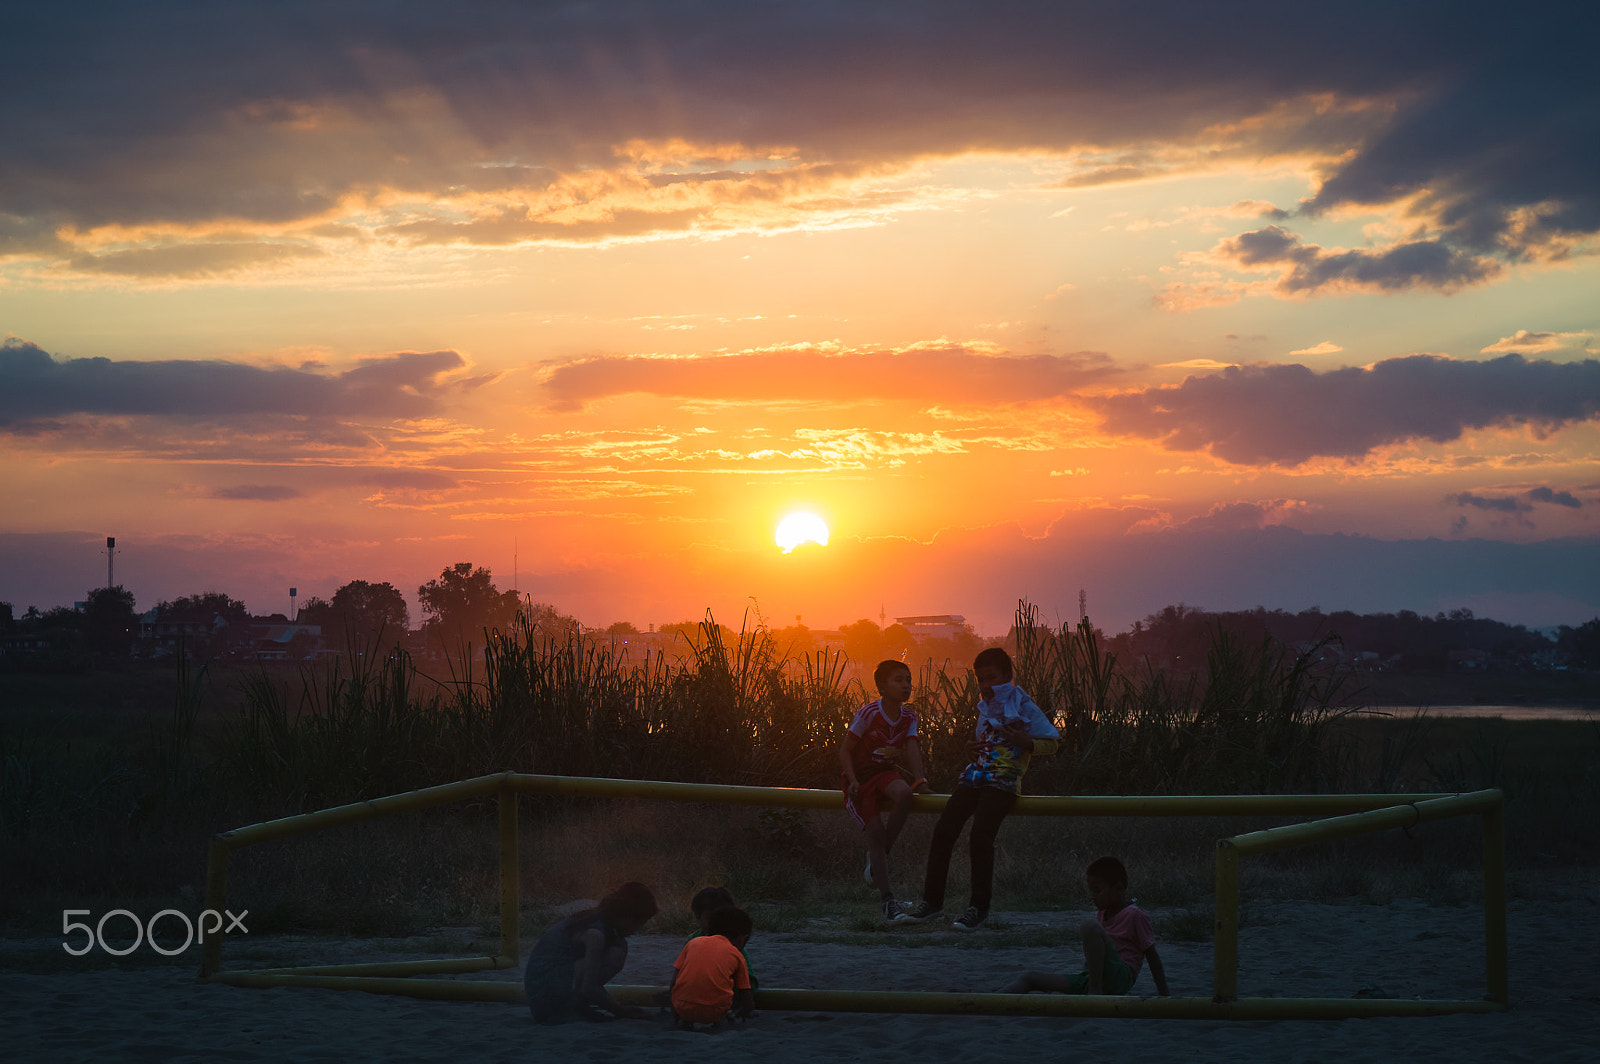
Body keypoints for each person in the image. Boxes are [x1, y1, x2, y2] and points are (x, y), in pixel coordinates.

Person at [904, 647, 1058, 931]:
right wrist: (969, 749)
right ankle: (932, 903)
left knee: (980, 836)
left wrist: (1028, 742)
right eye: (981, 680)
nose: (986, 686)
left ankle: (978, 908)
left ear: (1008, 676)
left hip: (1004, 781)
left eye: (992, 678)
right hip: (975, 776)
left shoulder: (1024, 706)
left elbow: (1052, 741)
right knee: (944, 830)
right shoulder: (984, 707)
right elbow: (982, 743)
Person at [840, 659, 933, 923]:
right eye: (898, 680)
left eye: (908, 680)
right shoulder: (869, 713)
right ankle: (887, 901)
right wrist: (852, 779)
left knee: (905, 795)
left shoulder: (908, 717)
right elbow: (845, 750)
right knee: (875, 833)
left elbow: (912, 747)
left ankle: (881, 853)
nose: (906, 686)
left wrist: (920, 780)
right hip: (861, 779)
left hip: (884, 773)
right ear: (882, 687)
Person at [1001, 856, 1169, 997]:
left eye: (1097, 891)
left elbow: (1152, 956)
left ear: (1119, 888)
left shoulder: (1135, 915)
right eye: (1091, 891)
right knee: (1029, 977)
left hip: (1119, 978)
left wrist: (1164, 996)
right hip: (1091, 977)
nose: (1093, 897)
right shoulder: (1102, 914)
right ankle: (989, 1000)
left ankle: (1094, 994)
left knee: (1089, 927)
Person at [524, 881, 658, 1023]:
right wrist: (621, 1011)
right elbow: (590, 988)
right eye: (638, 924)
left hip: (545, 989)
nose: (635, 930)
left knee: (617, 948)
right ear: (628, 917)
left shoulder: (595, 918)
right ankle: (566, 1010)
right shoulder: (596, 934)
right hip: (546, 997)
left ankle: (574, 1005)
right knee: (615, 955)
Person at [669, 905, 755, 1028]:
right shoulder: (737, 954)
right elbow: (745, 993)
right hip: (715, 1012)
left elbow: (673, 983)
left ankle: (687, 1020)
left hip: (682, 1008)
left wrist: (675, 1011)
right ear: (744, 939)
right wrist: (746, 1010)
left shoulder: (692, 943)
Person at [687, 885, 757, 991]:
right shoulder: (692, 940)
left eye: (722, 917)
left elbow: (749, 981)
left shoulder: (733, 942)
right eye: (711, 918)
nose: (717, 922)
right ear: (698, 916)